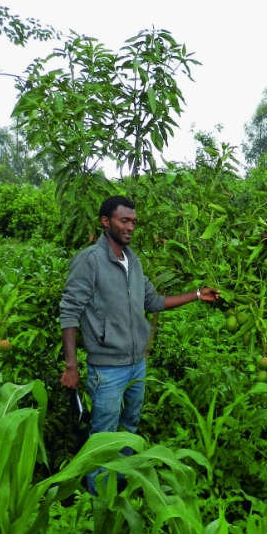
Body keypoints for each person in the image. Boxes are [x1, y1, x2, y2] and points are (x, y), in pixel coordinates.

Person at [59, 195, 220, 494]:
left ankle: (119, 487)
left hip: (136, 365)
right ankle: (98, 498)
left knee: (129, 429)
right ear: (105, 222)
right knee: (104, 437)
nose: (131, 227)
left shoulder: (132, 260)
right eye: (124, 220)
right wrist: (71, 366)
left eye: (133, 221)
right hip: (107, 368)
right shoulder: (90, 261)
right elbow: (69, 311)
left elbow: (153, 301)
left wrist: (197, 294)